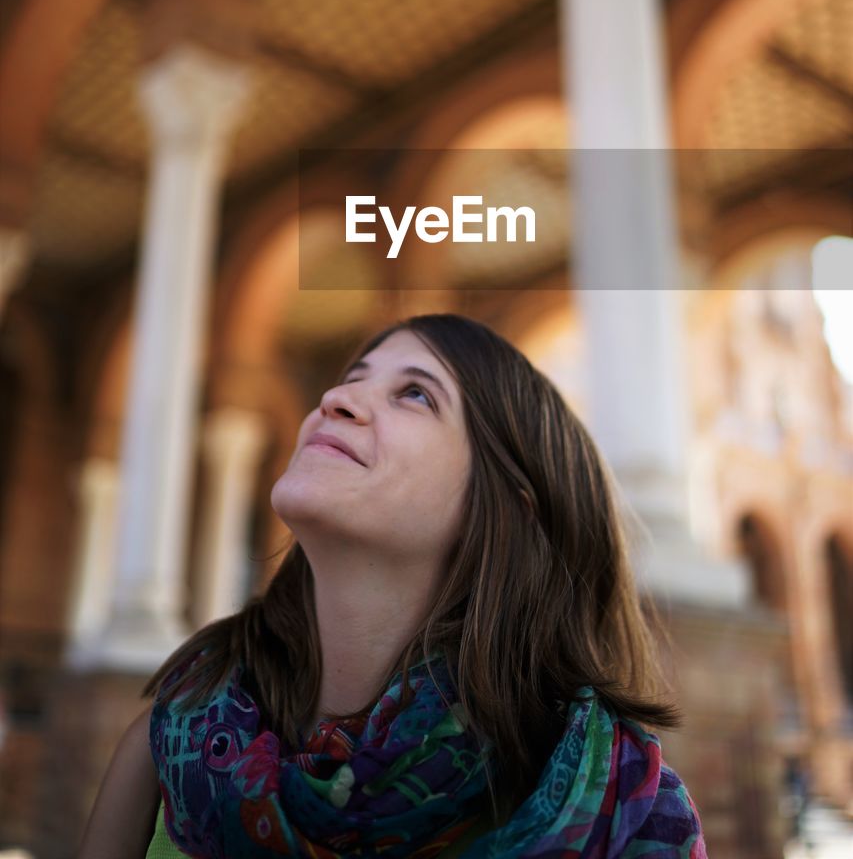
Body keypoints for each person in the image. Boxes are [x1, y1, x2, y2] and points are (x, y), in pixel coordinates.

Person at [78, 313, 707, 858]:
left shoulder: (608, 801)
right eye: (353, 378)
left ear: (507, 511)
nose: (335, 399)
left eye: (415, 395)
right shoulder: (171, 740)